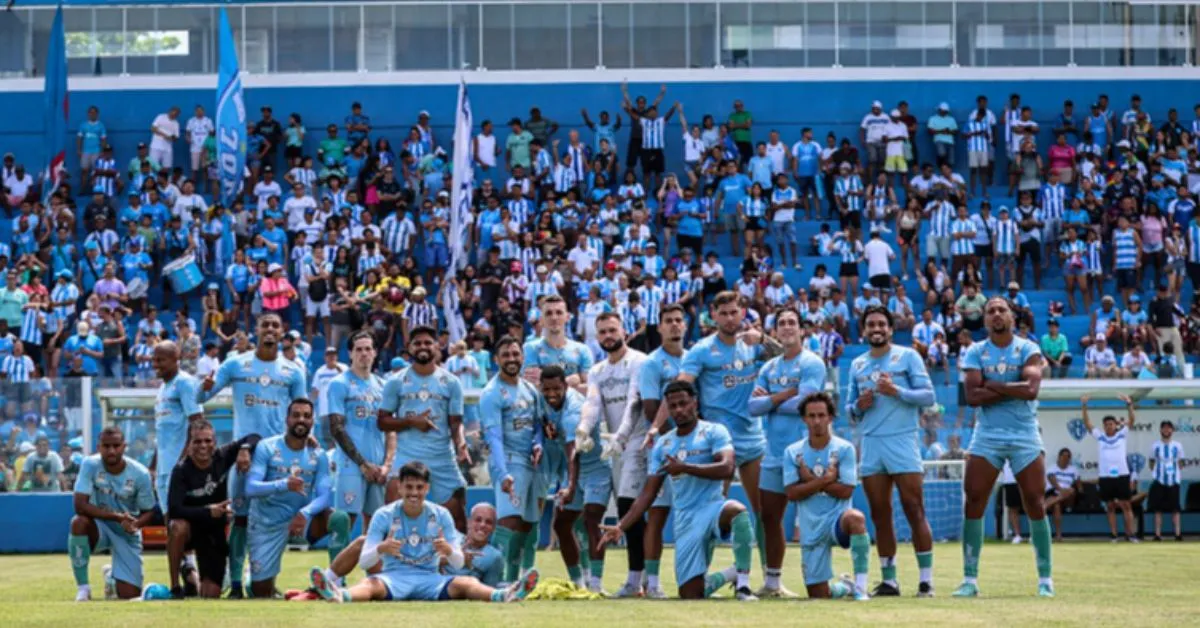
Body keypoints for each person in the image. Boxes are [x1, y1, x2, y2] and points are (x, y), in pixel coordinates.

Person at [598, 381, 757, 601]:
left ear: (695, 402)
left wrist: (685, 468)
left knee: (737, 511)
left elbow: (728, 468)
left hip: (713, 507)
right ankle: (728, 574)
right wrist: (621, 526)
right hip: (685, 518)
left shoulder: (714, 431)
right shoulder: (664, 444)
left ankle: (744, 586)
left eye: (683, 403)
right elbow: (648, 493)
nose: (679, 410)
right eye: (673, 406)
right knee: (690, 595)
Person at [307, 461, 539, 603]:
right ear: (399, 488)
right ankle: (338, 595)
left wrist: (449, 551)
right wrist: (381, 548)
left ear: (427, 489)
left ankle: (504, 595)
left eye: (419, 487)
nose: (414, 493)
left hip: (431, 580)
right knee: (371, 586)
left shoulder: (441, 515)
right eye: (409, 487)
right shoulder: (384, 515)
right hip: (394, 577)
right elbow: (365, 560)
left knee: (465, 582)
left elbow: (457, 563)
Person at [199, 312, 308, 598]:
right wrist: (204, 387)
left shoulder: (294, 370)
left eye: (275, 324)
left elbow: (302, 412)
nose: (270, 329)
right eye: (265, 325)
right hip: (244, 454)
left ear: (282, 330)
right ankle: (235, 583)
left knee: (274, 521)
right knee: (241, 519)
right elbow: (202, 396)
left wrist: (312, 441)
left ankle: (264, 579)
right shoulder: (237, 363)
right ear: (256, 330)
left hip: (278, 455)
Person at [955, 297, 1053, 598]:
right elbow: (972, 396)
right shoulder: (975, 351)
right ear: (985, 320)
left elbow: (1032, 390)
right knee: (974, 501)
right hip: (987, 435)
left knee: (1035, 502)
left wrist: (993, 385)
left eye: (1001, 310)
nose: (996, 314)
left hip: (1024, 433)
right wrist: (1012, 387)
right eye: (991, 311)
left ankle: (1045, 580)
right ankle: (970, 580)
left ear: (1012, 316)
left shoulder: (1028, 348)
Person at [679, 291, 780, 570]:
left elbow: (789, 357)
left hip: (753, 437)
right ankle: (697, 575)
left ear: (743, 312)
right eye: (723, 313)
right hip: (719, 443)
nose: (729, 318)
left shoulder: (753, 344)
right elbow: (682, 385)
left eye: (734, 312)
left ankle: (771, 580)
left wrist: (762, 339)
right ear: (713, 314)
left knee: (764, 511)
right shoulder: (702, 349)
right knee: (711, 510)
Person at [844, 305, 937, 597]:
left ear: (890, 329)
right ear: (864, 330)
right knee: (880, 514)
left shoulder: (908, 356)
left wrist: (896, 391)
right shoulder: (857, 364)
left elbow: (928, 396)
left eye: (881, 324)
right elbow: (849, 410)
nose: (876, 329)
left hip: (902, 440)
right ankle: (890, 580)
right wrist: (859, 406)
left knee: (914, 508)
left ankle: (926, 581)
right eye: (871, 324)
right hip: (871, 443)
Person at [747, 308, 825, 598]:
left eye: (792, 322)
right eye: (782, 323)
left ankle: (818, 579)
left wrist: (770, 401)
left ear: (801, 329)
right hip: (774, 455)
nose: (787, 327)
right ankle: (772, 582)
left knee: (813, 519)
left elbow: (805, 405)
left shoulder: (812, 363)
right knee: (769, 517)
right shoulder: (769, 368)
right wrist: (783, 395)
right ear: (776, 332)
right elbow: (752, 407)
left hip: (806, 453)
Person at [572, 312, 647, 596]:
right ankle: (640, 580)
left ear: (624, 331)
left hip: (637, 442)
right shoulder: (597, 370)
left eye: (611, 330)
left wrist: (623, 436)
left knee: (630, 508)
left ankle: (636, 580)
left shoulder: (639, 361)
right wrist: (582, 429)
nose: (607, 336)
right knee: (630, 513)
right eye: (601, 332)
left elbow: (633, 402)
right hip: (614, 447)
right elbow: (593, 403)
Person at [379, 326, 469, 531]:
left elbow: (456, 422)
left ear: (437, 346)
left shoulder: (451, 382)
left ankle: (455, 563)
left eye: (428, 342)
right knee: (392, 523)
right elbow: (382, 421)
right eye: (417, 343)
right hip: (407, 457)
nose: (423, 347)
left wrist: (461, 443)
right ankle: (391, 563)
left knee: (458, 524)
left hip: (442, 458)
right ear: (409, 348)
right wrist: (412, 422)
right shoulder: (395, 381)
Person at [784, 392, 871, 601]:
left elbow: (847, 490)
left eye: (821, 415)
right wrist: (823, 481)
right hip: (811, 527)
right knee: (819, 595)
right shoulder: (792, 452)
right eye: (811, 416)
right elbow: (792, 493)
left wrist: (809, 481)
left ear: (830, 417)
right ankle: (845, 587)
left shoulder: (844, 449)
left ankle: (861, 587)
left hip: (837, 521)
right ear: (804, 419)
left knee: (856, 518)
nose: (816, 421)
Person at [244, 398, 334, 598]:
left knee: (337, 519)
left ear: (312, 422)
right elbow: (251, 488)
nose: (301, 420)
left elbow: (325, 496)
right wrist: (284, 484)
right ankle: (254, 578)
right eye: (296, 415)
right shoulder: (267, 447)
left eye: (306, 416)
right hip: (266, 523)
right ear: (287, 419)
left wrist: (305, 512)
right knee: (261, 594)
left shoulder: (319, 456)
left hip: (300, 521)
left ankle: (336, 581)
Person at [325, 331, 393, 580]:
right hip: (351, 465)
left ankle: (374, 580)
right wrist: (362, 464)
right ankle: (334, 579)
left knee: (377, 524)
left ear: (375, 352)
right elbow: (336, 427)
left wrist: (386, 465)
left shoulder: (382, 385)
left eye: (368, 349)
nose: (364, 353)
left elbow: (390, 430)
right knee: (344, 518)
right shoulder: (339, 384)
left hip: (378, 467)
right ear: (351, 353)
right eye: (359, 349)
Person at [167, 420, 260, 599]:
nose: (203, 446)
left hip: (213, 531)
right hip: (190, 529)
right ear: (189, 444)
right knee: (177, 527)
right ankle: (175, 587)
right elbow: (174, 509)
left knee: (210, 594)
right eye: (197, 441)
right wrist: (207, 510)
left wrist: (244, 449)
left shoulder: (223, 456)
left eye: (208, 441)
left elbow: (254, 437)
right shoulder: (181, 470)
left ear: (215, 442)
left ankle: (191, 575)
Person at [631, 303, 687, 598]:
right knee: (657, 514)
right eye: (669, 321)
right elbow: (652, 408)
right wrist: (677, 440)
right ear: (660, 327)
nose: (675, 325)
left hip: (694, 449)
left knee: (692, 516)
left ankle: (693, 578)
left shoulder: (693, 360)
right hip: (663, 448)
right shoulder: (652, 364)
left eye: (679, 320)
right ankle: (652, 583)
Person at [478, 336, 544, 583]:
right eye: (506, 355)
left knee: (529, 524)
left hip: (531, 464)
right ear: (496, 360)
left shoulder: (529, 389)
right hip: (508, 460)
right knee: (509, 521)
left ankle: (521, 580)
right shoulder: (491, 393)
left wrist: (538, 443)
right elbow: (493, 436)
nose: (512, 359)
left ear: (522, 357)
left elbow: (537, 424)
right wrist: (503, 472)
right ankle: (494, 579)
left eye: (515, 354)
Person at [541, 365, 610, 592]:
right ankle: (579, 582)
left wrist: (570, 487)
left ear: (565, 386)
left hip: (595, 469)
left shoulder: (573, 411)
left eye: (556, 389)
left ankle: (596, 585)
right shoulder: (545, 404)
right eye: (546, 389)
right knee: (562, 525)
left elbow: (573, 453)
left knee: (592, 521)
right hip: (572, 471)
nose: (551, 394)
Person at [69, 426, 156, 601]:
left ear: (124, 446)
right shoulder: (89, 464)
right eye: (106, 446)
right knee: (78, 522)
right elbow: (79, 505)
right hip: (100, 527)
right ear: (98, 447)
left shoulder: (140, 473)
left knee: (129, 596)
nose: (111, 450)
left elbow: (149, 511)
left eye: (116, 446)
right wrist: (116, 517)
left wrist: (135, 524)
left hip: (127, 532)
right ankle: (83, 588)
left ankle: (111, 578)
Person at [150, 340, 205, 595]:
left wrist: (183, 463)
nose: (155, 364)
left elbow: (197, 423)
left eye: (161, 359)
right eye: (154, 359)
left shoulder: (185, 383)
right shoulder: (162, 389)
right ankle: (187, 573)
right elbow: (161, 433)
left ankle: (192, 573)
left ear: (176, 359)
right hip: (163, 469)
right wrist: (153, 464)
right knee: (169, 523)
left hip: (178, 470)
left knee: (181, 524)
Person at [1081, 394, 1138, 543]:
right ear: (1104, 426)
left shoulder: (1122, 435)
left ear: (1115, 425)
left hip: (1122, 475)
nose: (1109, 426)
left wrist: (1129, 404)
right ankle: (1114, 535)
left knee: (1126, 505)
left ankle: (1130, 534)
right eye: (1106, 425)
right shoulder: (1100, 436)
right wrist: (1084, 406)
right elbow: (1087, 424)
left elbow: (1132, 420)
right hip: (1106, 476)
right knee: (1110, 506)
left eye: (1111, 424)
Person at [1147, 420, 1184, 542]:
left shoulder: (1178, 445)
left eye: (1169, 428)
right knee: (1158, 509)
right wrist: (1156, 473)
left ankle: (1178, 534)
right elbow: (1151, 462)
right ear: (1160, 430)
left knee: (1176, 509)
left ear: (1172, 430)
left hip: (1174, 481)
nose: (1166, 430)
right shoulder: (1155, 445)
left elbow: (1181, 462)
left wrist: (1175, 472)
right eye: (1164, 428)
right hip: (1159, 481)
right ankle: (1157, 535)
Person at [1044, 448, 1081, 543]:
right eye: (1063, 456)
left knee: (1071, 490)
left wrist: (1078, 490)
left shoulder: (1074, 470)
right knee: (1056, 506)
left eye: (1067, 457)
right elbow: (1052, 481)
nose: (1065, 459)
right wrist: (1061, 490)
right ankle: (1058, 535)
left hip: (1068, 499)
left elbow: (1079, 487)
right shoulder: (1052, 468)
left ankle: (1045, 505)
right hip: (1054, 492)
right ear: (1059, 457)